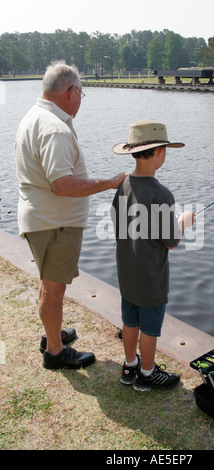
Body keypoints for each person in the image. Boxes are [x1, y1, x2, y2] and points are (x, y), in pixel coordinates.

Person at [15, 61, 128, 370]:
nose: (81, 98)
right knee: (54, 289)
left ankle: (53, 335)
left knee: (49, 285)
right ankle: (55, 352)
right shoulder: (54, 128)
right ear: (69, 91)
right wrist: (110, 183)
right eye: (81, 92)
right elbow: (62, 185)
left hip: (43, 219)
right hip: (56, 224)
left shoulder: (35, 116)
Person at [111, 120, 194, 391]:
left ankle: (129, 365)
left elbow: (119, 225)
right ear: (159, 152)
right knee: (149, 328)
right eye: (166, 149)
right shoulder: (161, 194)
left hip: (126, 272)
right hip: (151, 277)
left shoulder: (122, 185)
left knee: (129, 320)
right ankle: (147, 374)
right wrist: (184, 220)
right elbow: (170, 242)